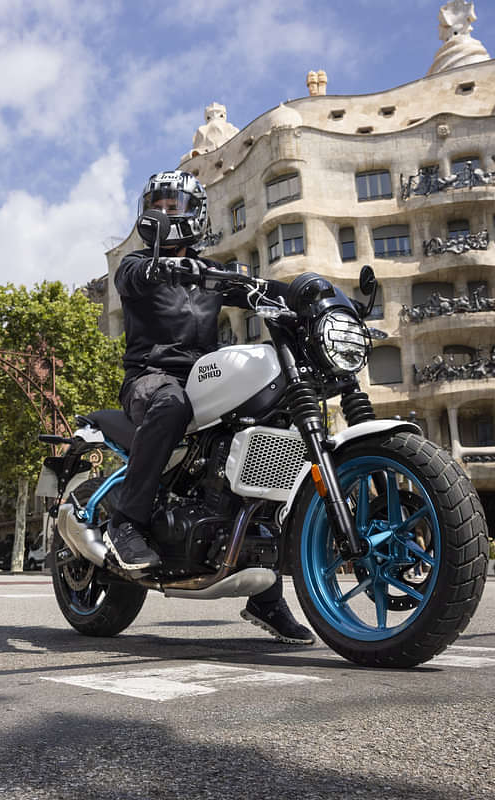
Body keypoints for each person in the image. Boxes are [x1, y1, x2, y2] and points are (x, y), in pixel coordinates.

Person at [108, 169, 313, 645]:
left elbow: (263, 291)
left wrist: (309, 294)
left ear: (195, 213)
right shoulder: (137, 265)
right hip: (151, 378)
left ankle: (265, 594)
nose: (162, 212)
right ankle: (126, 523)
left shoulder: (214, 274)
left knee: (270, 435)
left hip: (206, 380)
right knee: (171, 404)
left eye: (172, 204)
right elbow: (135, 277)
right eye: (156, 204)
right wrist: (166, 266)